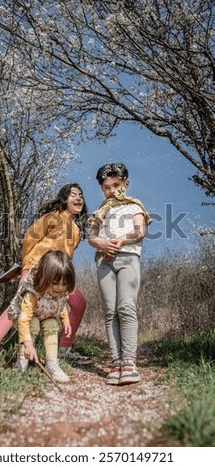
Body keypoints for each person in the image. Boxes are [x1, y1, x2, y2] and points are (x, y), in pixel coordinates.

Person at [0, 183, 91, 365]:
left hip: (58, 275)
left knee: (79, 303)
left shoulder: (76, 229)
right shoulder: (53, 217)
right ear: (64, 199)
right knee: (18, 305)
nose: (79, 197)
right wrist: (29, 265)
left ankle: (64, 349)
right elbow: (29, 238)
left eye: (80, 195)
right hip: (37, 267)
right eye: (73, 194)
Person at [88, 163, 151, 385]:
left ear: (126, 183)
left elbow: (140, 231)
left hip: (127, 258)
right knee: (110, 311)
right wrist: (101, 244)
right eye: (107, 187)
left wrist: (123, 239)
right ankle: (116, 362)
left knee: (126, 307)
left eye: (116, 185)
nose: (112, 190)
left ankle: (129, 361)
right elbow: (92, 237)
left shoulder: (134, 206)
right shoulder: (101, 211)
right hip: (104, 262)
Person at [9, 250, 75, 383]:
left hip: (44, 315)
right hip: (21, 316)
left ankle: (52, 365)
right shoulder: (32, 293)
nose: (60, 288)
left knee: (52, 324)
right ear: (45, 278)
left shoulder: (60, 292)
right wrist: (28, 345)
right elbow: (23, 319)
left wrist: (65, 320)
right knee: (32, 323)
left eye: (64, 284)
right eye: (55, 283)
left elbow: (59, 305)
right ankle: (21, 363)